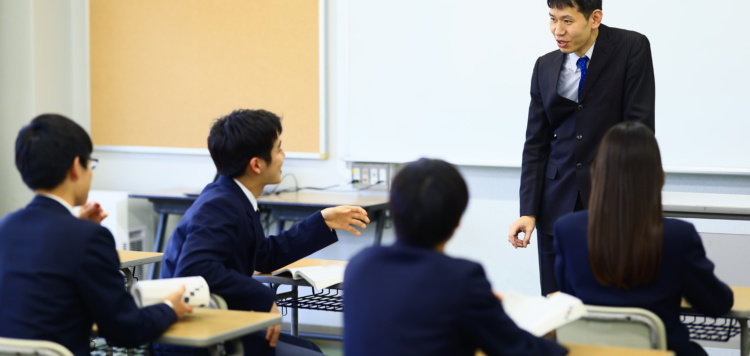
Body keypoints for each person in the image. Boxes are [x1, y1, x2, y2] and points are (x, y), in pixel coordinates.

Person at [160, 109, 370, 356]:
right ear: (256, 165)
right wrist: (262, 298)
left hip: (219, 324)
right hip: (197, 338)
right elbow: (196, 269)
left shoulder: (233, 196)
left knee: (310, 348)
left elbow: (264, 255)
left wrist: (322, 222)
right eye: (278, 149)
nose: (284, 156)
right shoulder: (220, 205)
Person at [508, 0, 656, 295]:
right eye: (552, 19)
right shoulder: (544, 66)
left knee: (608, 304)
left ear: (595, 18)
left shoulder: (631, 49)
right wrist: (528, 210)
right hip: (554, 205)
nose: (557, 31)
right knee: (555, 304)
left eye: (567, 21)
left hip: (612, 204)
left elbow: (639, 130)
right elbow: (536, 144)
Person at [0, 114, 192, 356]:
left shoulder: (6, 227)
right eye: (91, 164)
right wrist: (168, 308)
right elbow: (125, 330)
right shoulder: (88, 237)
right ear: (75, 167)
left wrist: (76, 226)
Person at [344, 158, 568, 356]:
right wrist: (550, 332)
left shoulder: (360, 265)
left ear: (393, 209)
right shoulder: (460, 279)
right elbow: (519, 349)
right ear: (458, 221)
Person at [554, 122, 733, 356]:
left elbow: (567, 295)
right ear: (656, 176)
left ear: (597, 170)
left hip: (591, 352)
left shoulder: (567, 229)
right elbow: (716, 304)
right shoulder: (678, 236)